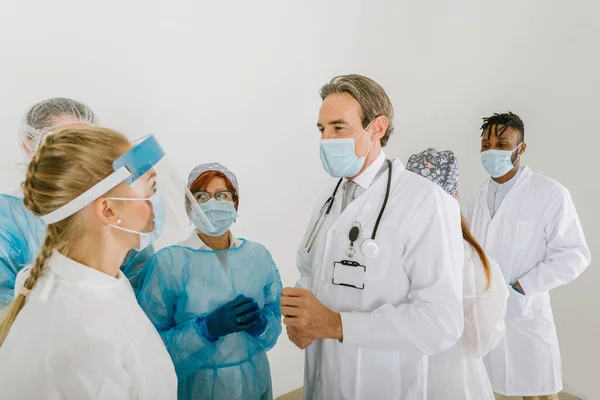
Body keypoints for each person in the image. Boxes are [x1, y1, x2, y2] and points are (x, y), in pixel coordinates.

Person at [281, 74, 464, 399]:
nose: (326, 139)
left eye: (338, 128)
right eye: (322, 129)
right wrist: (301, 320)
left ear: (377, 128)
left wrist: (337, 325)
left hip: (383, 384)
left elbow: (442, 321)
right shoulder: (329, 200)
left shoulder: (424, 200)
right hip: (322, 379)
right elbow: (311, 271)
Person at [0, 127, 209, 399]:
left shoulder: (98, 282)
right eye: (151, 187)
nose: (156, 203)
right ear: (108, 210)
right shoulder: (84, 344)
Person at [466, 112, 591, 400]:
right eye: (486, 145)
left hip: (526, 311)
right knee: (486, 386)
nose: (491, 151)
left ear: (520, 148)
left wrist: (524, 287)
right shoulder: (478, 194)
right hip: (486, 309)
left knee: (539, 391)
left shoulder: (548, 192)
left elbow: (574, 254)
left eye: (501, 143)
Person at [137, 162, 282, 400]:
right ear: (189, 207)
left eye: (222, 195)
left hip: (255, 383)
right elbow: (152, 350)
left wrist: (262, 325)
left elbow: (274, 325)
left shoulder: (258, 256)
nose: (212, 203)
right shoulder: (168, 263)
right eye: (202, 196)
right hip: (199, 389)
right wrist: (206, 329)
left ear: (234, 204)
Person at [0, 98, 150, 315]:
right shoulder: (8, 218)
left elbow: (143, 291)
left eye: (85, 143)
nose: (76, 154)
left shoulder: (112, 210)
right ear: (29, 147)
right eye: (63, 142)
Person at [406, 148, 508, 400]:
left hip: (403, 368)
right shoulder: (466, 252)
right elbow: (482, 337)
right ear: (453, 192)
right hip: (454, 374)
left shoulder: (394, 245)